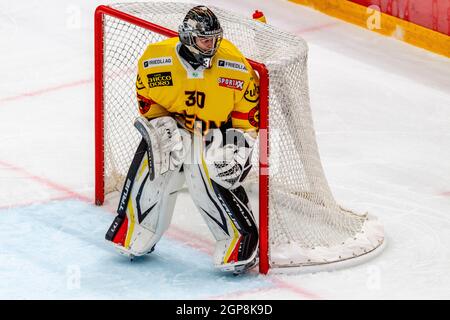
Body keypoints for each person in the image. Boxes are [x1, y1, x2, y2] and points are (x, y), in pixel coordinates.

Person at [105, 6, 260, 274]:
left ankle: (239, 236)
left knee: (208, 171)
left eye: (214, 38)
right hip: (176, 126)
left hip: (216, 131)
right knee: (156, 157)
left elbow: (248, 118)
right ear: (188, 38)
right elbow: (150, 105)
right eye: (204, 39)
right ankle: (138, 226)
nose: (211, 45)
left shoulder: (234, 65)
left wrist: (241, 146)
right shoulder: (155, 61)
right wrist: (159, 126)